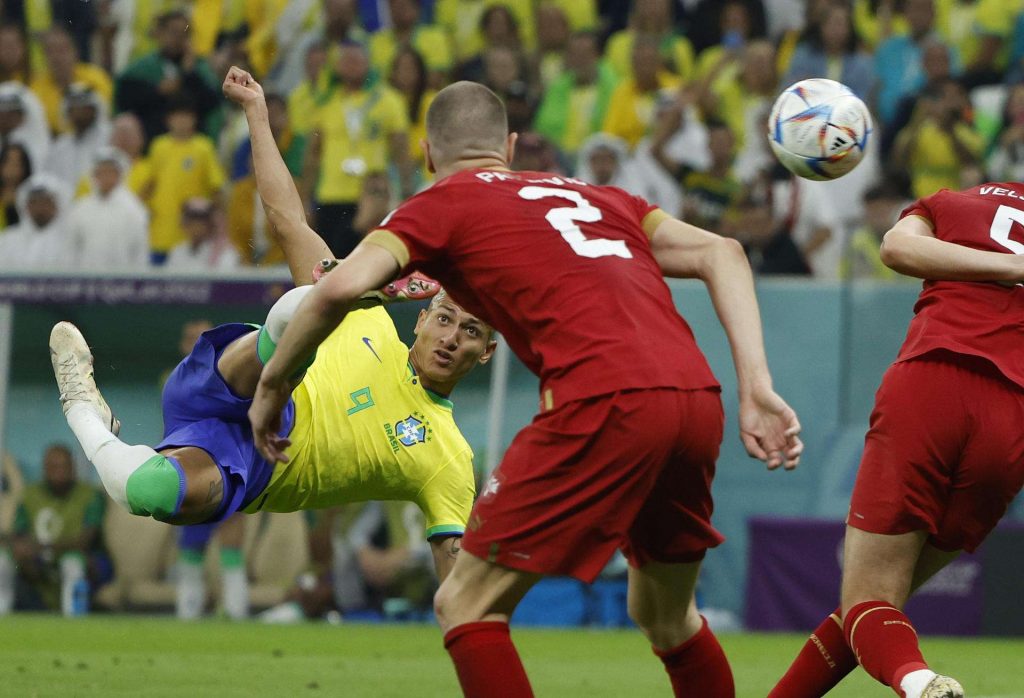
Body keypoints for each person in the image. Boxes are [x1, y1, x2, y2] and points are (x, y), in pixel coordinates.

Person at [234, 67, 802, 697]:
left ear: (426, 155)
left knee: (466, 604)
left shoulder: (441, 204)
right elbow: (723, 251)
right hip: (697, 401)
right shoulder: (600, 199)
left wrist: (270, 389)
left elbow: (334, 286)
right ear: (508, 152)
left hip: (603, 399)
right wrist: (756, 384)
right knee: (668, 616)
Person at [49, 136, 496, 586]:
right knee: (313, 300)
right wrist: (256, 114)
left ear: (487, 353)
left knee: (144, 492)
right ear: (420, 319)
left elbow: (458, 587)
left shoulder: (449, 458)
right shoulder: (369, 323)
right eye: (444, 318)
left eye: (472, 331)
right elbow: (286, 222)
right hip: (239, 380)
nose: (452, 338)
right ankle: (311, 335)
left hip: (254, 458)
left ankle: (84, 413)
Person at [769, 182, 1024, 698]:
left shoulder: (955, 200)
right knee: (871, 608)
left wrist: (1009, 267)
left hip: (933, 379)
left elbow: (896, 247)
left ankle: (921, 683)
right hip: (1014, 417)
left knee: (868, 600)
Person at [0, 444, 109, 616]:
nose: (59, 472)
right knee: (3, 560)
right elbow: (18, 533)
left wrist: (43, 548)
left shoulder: (89, 495)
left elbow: (85, 540)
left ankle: (73, 620)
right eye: (53, 467)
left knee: (72, 563)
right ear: (45, 468)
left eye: (64, 466)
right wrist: (23, 550)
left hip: (80, 559)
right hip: (36, 563)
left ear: (73, 468)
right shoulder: (30, 495)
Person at [65, 147, 149, 272]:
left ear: (120, 174)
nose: (106, 177)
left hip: (122, 280)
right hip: (87, 280)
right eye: (101, 172)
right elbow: (72, 249)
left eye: (110, 172)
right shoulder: (81, 208)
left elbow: (140, 252)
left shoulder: (133, 209)